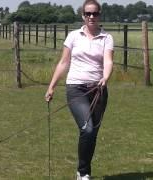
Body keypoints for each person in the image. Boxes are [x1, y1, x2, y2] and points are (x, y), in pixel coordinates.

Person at [44, 0, 114, 179]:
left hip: (98, 89)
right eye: (88, 13)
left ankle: (83, 171)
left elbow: (108, 61)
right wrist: (51, 87)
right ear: (83, 15)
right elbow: (64, 62)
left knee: (92, 135)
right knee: (87, 129)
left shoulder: (107, 38)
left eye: (95, 13)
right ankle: (83, 174)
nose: (91, 17)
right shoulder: (73, 36)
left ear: (100, 15)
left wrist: (105, 78)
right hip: (76, 88)